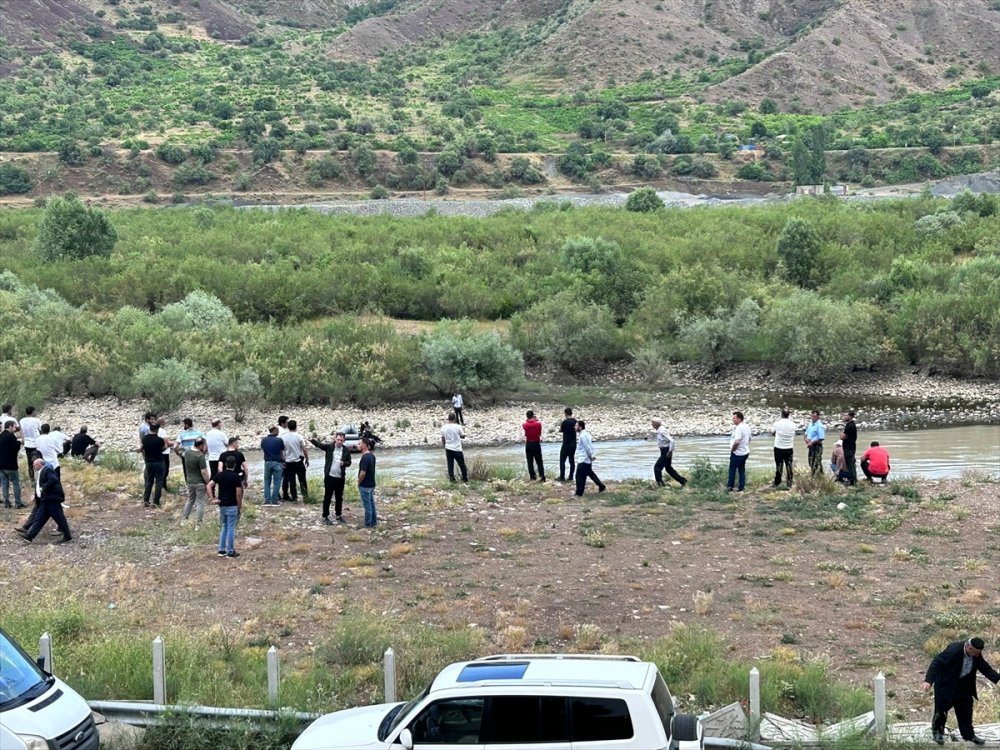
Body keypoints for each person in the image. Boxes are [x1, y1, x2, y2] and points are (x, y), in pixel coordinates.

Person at [923, 637, 999, 745]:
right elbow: (937, 662)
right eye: (976, 653)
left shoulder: (976, 654)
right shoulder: (953, 650)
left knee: (966, 711)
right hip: (946, 685)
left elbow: (984, 667)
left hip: (964, 686)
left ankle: (969, 735)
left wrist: (998, 679)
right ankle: (937, 733)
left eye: (979, 653)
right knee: (941, 711)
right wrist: (928, 680)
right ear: (969, 647)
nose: (978, 655)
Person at [18, 458, 71, 544]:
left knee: (59, 518)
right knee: (39, 518)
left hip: (52, 499)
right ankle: (29, 536)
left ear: (40, 464)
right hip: (45, 500)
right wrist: (36, 495)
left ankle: (68, 536)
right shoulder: (42, 471)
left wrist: (43, 488)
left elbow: (53, 479)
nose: (33, 466)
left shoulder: (47, 470)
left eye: (35, 465)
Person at [311, 431, 352, 524]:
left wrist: (344, 463)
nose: (339, 442)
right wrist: (312, 440)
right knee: (327, 497)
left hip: (340, 477)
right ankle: (325, 516)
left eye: (341, 440)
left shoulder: (346, 450)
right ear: (335, 439)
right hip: (329, 476)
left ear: (344, 440)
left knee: (339, 497)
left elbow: (349, 462)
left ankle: (338, 515)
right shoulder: (330, 447)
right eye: (338, 440)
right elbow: (320, 445)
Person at [208, 455, 243, 558]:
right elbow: (238, 493)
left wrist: (213, 498)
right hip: (232, 504)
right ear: (235, 465)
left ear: (225, 464)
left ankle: (221, 549)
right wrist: (239, 506)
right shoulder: (236, 476)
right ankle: (231, 551)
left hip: (222, 504)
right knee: (231, 527)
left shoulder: (220, 475)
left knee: (224, 526)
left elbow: (209, 485)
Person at [181, 437, 210, 526]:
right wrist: (208, 482)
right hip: (199, 482)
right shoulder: (200, 456)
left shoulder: (187, 452)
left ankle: (184, 520)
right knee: (200, 502)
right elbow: (204, 472)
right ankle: (198, 523)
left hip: (190, 481)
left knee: (190, 500)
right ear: (201, 445)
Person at [140, 422, 170, 507]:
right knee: (159, 481)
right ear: (157, 430)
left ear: (150, 429)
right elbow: (163, 448)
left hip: (149, 462)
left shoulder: (145, 439)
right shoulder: (159, 440)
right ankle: (156, 501)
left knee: (149, 481)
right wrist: (166, 446)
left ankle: (146, 500)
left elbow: (142, 448)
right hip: (159, 461)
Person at [651, 418, 687, 487]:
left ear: (657, 423)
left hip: (666, 451)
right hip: (664, 451)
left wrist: (670, 451)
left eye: (653, 423)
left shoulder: (662, 431)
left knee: (657, 467)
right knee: (668, 468)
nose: (652, 424)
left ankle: (660, 484)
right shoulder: (659, 430)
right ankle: (683, 481)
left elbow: (671, 441)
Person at [574, 420, 606, 496]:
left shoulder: (582, 436)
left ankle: (579, 493)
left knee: (579, 476)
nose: (574, 427)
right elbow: (591, 447)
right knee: (590, 473)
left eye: (576, 426)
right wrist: (592, 455)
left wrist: (591, 457)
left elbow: (587, 448)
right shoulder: (587, 434)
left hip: (583, 459)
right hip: (587, 459)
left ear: (580, 427)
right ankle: (601, 486)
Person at [0, 420, 25, 509]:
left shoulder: (1, 435)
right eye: (14, 427)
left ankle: (7, 502)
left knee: (4, 484)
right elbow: (15, 448)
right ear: (10, 426)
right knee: (15, 483)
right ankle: (18, 503)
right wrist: (19, 442)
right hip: (11, 465)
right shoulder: (11, 436)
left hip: (1, 465)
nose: (15, 429)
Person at [726, 411, 751, 492]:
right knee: (741, 470)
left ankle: (730, 487)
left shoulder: (739, 428)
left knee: (732, 470)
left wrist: (733, 450)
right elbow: (750, 438)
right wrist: (745, 445)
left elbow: (737, 441)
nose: (732, 420)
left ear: (739, 419)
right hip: (745, 452)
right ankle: (741, 487)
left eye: (734, 418)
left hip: (737, 453)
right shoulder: (747, 426)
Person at [771, 408, 796, 488]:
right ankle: (789, 482)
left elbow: (773, 433)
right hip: (789, 447)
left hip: (779, 447)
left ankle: (777, 482)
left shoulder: (777, 423)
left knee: (779, 465)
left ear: (781, 414)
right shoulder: (793, 424)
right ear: (789, 415)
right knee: (789, 465)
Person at [260, 426, 285, 506]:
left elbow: (263, 449)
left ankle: (267, 500)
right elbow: (281, 452)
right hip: (277, 462)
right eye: (277, 430)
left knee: (267, 481)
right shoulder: (279, 440)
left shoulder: (264, 440)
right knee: (277, 482)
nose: (278, 432)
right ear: (274, 431)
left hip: (267, 462)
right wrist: (283, 461)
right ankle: (274, 500)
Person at [440, 413, 468, 483]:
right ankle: (465, 479)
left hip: (448, 448)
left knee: (450, 464)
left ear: (448, 419)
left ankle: (452, 479)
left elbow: (443, 438)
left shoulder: (443, 427)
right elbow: (463, 436)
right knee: (462, 465)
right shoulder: (458, 427)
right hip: (457, 448)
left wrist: (445, 446)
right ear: (455, 419)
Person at [357, 437, 377, 528]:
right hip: (372, 484)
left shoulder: (364, 457)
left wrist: (358, 482)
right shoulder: (372, 456)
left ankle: (368, 524)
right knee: (372, 504)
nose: (358, 445)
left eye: (359, 444)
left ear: (364, 445)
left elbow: (363, 473)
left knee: (367, 506)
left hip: (365, 485)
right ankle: (373, 522)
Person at [522, 410, 545, 482]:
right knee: (539, 461)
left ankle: (532, 477)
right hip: (536, 443)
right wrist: (535, 419)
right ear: (533, 415)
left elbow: (525, 432)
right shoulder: (538, 424)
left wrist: (529, 420)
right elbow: (539, 433)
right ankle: (542, 477)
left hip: (528, 443)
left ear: (527, 416)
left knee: (530, 461)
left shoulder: (524, 425)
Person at [20, 406, 41, 479]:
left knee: (30, 462)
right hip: (36, 443)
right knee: (39, 461)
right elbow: (40, 429)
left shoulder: (22, 420)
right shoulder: (36, 420)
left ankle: (31, 478)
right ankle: (39, 477)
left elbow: (22, 432)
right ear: (33, 412)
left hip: (27, 443)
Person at [558, 408, 577, 482]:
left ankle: (562, 476)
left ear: (566, 413)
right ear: (571, 413)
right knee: (571, 460)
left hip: (566, 444)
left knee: (562, 460)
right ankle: (571, 476)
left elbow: (561, 430)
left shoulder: (564, 422)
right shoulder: (575, 421)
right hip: (573, 444)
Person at [804, 410, 825, 476]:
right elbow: (805, 434)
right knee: (810, 461)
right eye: (812, 416)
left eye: (814, 416)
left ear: (818, 417)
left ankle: (818, 475)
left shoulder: (819, 425)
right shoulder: (810, 424)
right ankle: (816, 474)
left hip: (817, 446)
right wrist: (806, 439)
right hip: (810, 445)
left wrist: (812, 442)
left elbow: (821, 437)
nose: (813, 418)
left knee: (816, 461)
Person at [840, 410, 858, 486]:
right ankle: (853, 480)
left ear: (850, 416)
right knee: (851, 463)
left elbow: (842, 437)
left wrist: (841, 433)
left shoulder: (850, 425)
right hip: (851, 447)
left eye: (846, 415)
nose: (844, 417)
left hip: (849, 447)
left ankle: (853, 481)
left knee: (850, 464)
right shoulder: (851, 424)